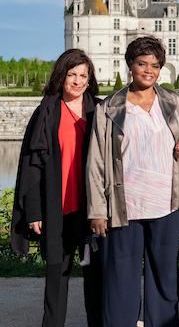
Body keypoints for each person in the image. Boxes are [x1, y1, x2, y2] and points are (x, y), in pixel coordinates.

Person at [86, 36, 179, 327]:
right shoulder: (109, 108)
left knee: (164, 278)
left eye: (155, 65)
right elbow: (96, 162)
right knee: (120, 279)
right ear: (130, 65)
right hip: (125, 206)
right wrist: (98, 210)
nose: (149, 70)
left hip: (166, 204)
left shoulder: (173, 101)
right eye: (142, 63)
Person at [10, 49, 102, 327]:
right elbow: (31, 166)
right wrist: (34, 212)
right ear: (61, 76)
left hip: (90, 212)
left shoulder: (99, 110)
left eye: (83, 75)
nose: (77, 81)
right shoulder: (47, 112)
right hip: (57, 211)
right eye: (71, 74)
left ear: (89, 79)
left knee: (95, 280)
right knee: (56, 278)